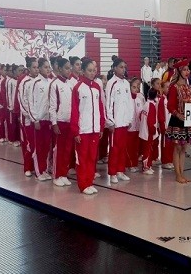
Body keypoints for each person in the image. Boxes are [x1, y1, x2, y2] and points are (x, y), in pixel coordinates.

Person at [71, 58, 105, 195]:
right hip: (83, 130)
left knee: (92, 157)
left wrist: (101, 126)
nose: (92, 73)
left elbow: (100, 108)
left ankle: (89, 182)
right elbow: (74, 111)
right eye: (89, 71)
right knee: (82, 158)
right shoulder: (78, 88)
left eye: (94, 70)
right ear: (83, 71)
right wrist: (75, 131)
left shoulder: (97, 87)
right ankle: (83, 184)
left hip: (95, 129)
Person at [105, 58, 135, 184]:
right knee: (114, 148)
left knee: (123, 147)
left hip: (124, 122)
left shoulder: (126, 83)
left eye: (125, 67)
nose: (123, 69)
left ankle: (120, 170)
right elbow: (108, 104)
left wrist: (129, 119)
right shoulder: (111, 83)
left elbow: (129, 103)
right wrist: (110, 122)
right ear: (115, 68)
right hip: (115, 123)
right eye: (121, 67)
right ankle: (112, 173)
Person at [166, 59, 191, 183]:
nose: (187, 72)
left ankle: (182, 173)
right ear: (179, 71)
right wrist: (178, 114)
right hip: (177, 121)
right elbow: (170, 106)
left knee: (184, 148)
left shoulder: (188, 86)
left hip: (187, 121)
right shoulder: (174, 87)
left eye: (188, 69)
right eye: (184, 69)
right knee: (177, 147)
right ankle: (177, 174)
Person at [49, 58, 75, 187]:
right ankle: (56, 175)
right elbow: (52, 106)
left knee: (67, 150)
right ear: (59, 69)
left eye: (70, 68)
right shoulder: (55, 84)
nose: (69, 70)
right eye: (66, 68)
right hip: (60, 122)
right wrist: (54, 123)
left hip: (70, 122)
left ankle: (64, 174)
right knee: (58, 150)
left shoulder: (71, 84)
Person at [31, 58, 53, 181]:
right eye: (45, 67)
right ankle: (38, 172)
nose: (48, 69)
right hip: (39, 120)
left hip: (48, 119)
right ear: (39, 68)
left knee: (46, 147)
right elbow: (31, 102)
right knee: (38, 147)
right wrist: (35, 119)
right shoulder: (35, 82)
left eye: (49, 67)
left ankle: (44, 169)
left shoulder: (50, 82)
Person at [18, 57, 39, 177]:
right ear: (29, 68)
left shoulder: (39, 81)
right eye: (34, 67)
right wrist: (31, 116)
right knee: (29, 143)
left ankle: (38, 167)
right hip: (27, 119)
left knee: (37, 144)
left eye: (37, 67)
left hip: (38, 118)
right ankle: (28, 167)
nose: (36, 70)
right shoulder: (24, 82)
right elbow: (23, 101)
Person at [126, 77, 145, 173]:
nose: (136, 89)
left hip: (138, 127)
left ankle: (134, 163)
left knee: (135, 147)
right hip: (129, 128)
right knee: (129, 147)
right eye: (133, 87)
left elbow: (141, 111)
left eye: (137, 87)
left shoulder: (139, 99)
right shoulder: (127, 98)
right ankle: (129, 164)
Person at [140, 88, 159, 175]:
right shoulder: (151, 106)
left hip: (144, 131)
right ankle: (146, 167)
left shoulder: (146, 104)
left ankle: (149, 165)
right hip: (149, 133)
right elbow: (151, 122)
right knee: (147, 150)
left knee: (148, 149)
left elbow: (141, 116)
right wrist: (153, 131)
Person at [158, 81, 174, 169]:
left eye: (169, 87)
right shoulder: (162, 100)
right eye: (167, 87)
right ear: (163, 88)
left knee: (170, 145)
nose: (168, 89)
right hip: (165, 126)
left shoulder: (169, 99)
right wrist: (163, 126)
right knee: (165, 145)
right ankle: (165, 161)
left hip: (170, 126)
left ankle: (170, 160)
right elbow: (160, 115)